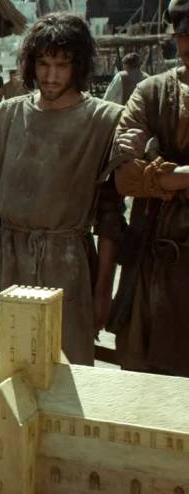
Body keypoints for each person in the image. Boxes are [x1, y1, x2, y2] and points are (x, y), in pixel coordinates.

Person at [0, 13, 125, 365]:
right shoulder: (5, 118)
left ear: (77, 66)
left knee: (61, 378)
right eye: (43, 63)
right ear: (31, 64)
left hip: (67, 268)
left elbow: (110, 216)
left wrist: (103, 291)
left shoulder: (104, 122)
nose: (51, 75)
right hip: (7, 265)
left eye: (62, 65)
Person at [107, 0, 189, 378]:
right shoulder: (150, 92)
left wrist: (159, 173)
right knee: (145, 387)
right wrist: (174, 179)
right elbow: (125, 178)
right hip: (152, 264)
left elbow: (141, 176)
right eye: (184, 36)